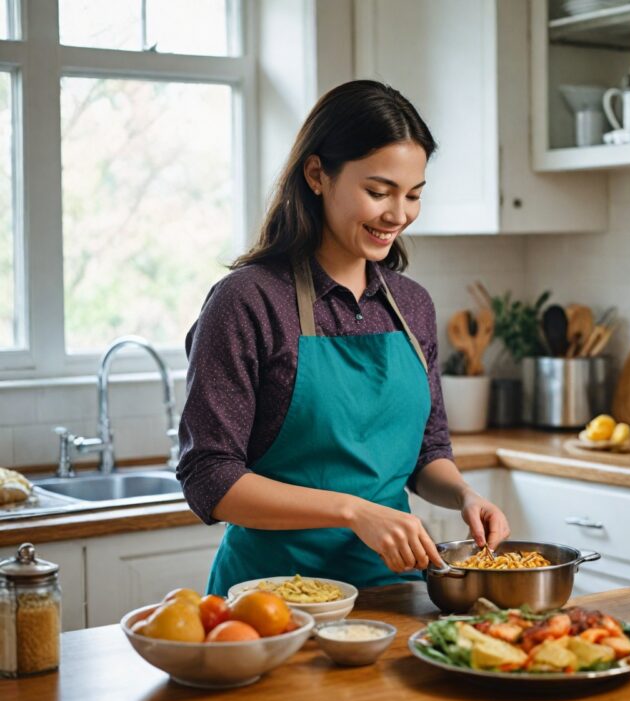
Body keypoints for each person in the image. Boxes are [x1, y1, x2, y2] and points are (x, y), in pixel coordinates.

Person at [177, 80, 510, 595]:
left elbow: (428, 451)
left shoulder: (412, 306)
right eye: (378, 192)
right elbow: (209, 477)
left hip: (393, 595)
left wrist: (465, 495)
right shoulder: (247, 301)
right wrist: (353, 512)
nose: (398, 215)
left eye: (413, 195)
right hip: (270, 602)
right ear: (317, 175)